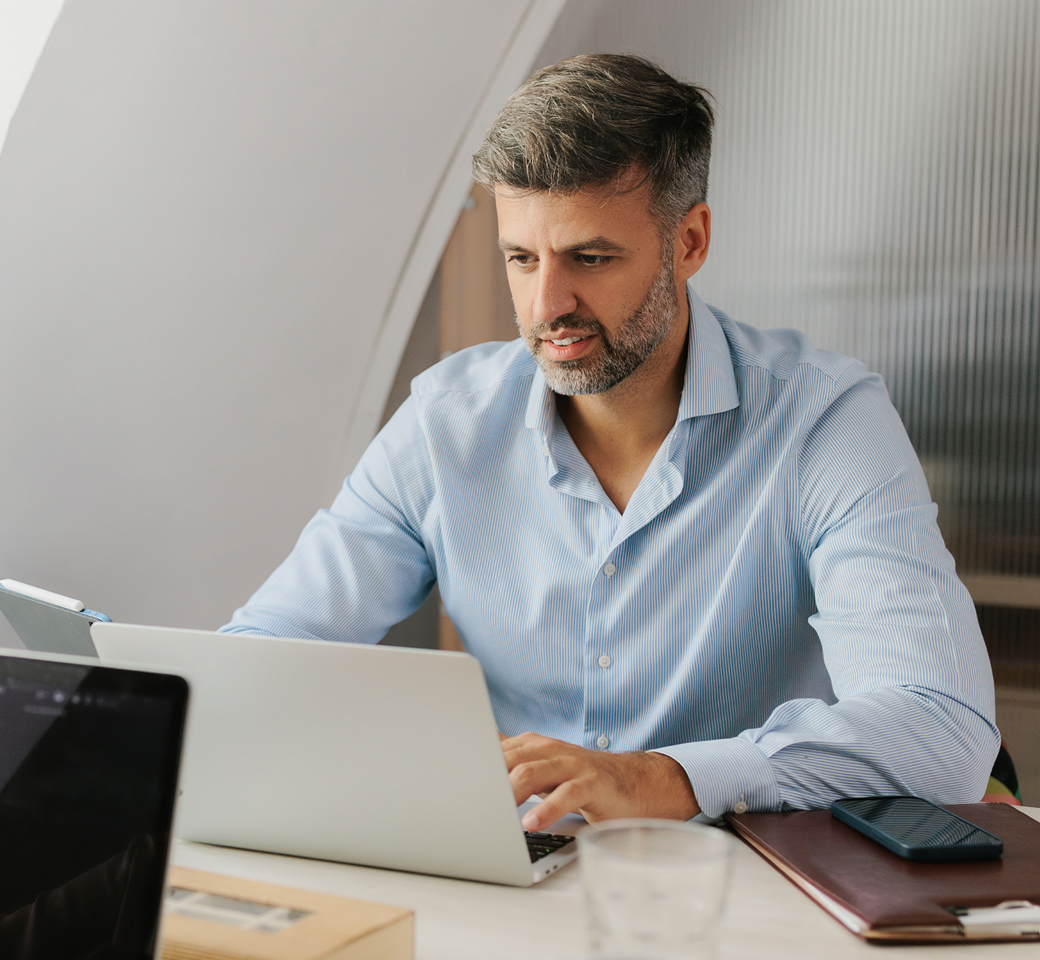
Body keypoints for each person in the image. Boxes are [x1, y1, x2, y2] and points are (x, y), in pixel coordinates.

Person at [222, 54, 998, 828]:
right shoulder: (445, 423)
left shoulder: (824, 420)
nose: (546, 304)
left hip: (746, 882)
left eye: (590, 258)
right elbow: (262, 655)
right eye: (521, 260)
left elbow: (941, 731)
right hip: (522, 874)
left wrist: (657, 779)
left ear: (689, 242)